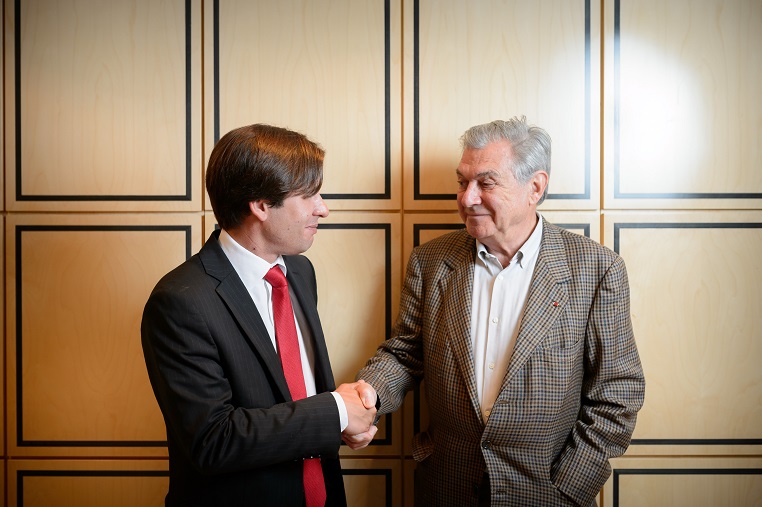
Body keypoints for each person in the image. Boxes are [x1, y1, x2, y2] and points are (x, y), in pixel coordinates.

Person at [348, 117, 645, 506]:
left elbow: (617, 392)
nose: (467, 198)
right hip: (446, 486)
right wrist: (365, 395)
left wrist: (569, 488)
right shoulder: (431, 261)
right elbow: (406, 353)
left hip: (546, 493)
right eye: (462, 182)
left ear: (535, 187)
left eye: (485, 183)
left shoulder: (595, 269)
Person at [141, 124, 377, 507]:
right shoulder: (180, 302)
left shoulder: (300, 272)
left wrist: (345, 421)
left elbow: (297, 396)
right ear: (261, 205)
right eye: (310, 195)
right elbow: (213, 441)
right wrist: (334, 411)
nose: (324, 208)